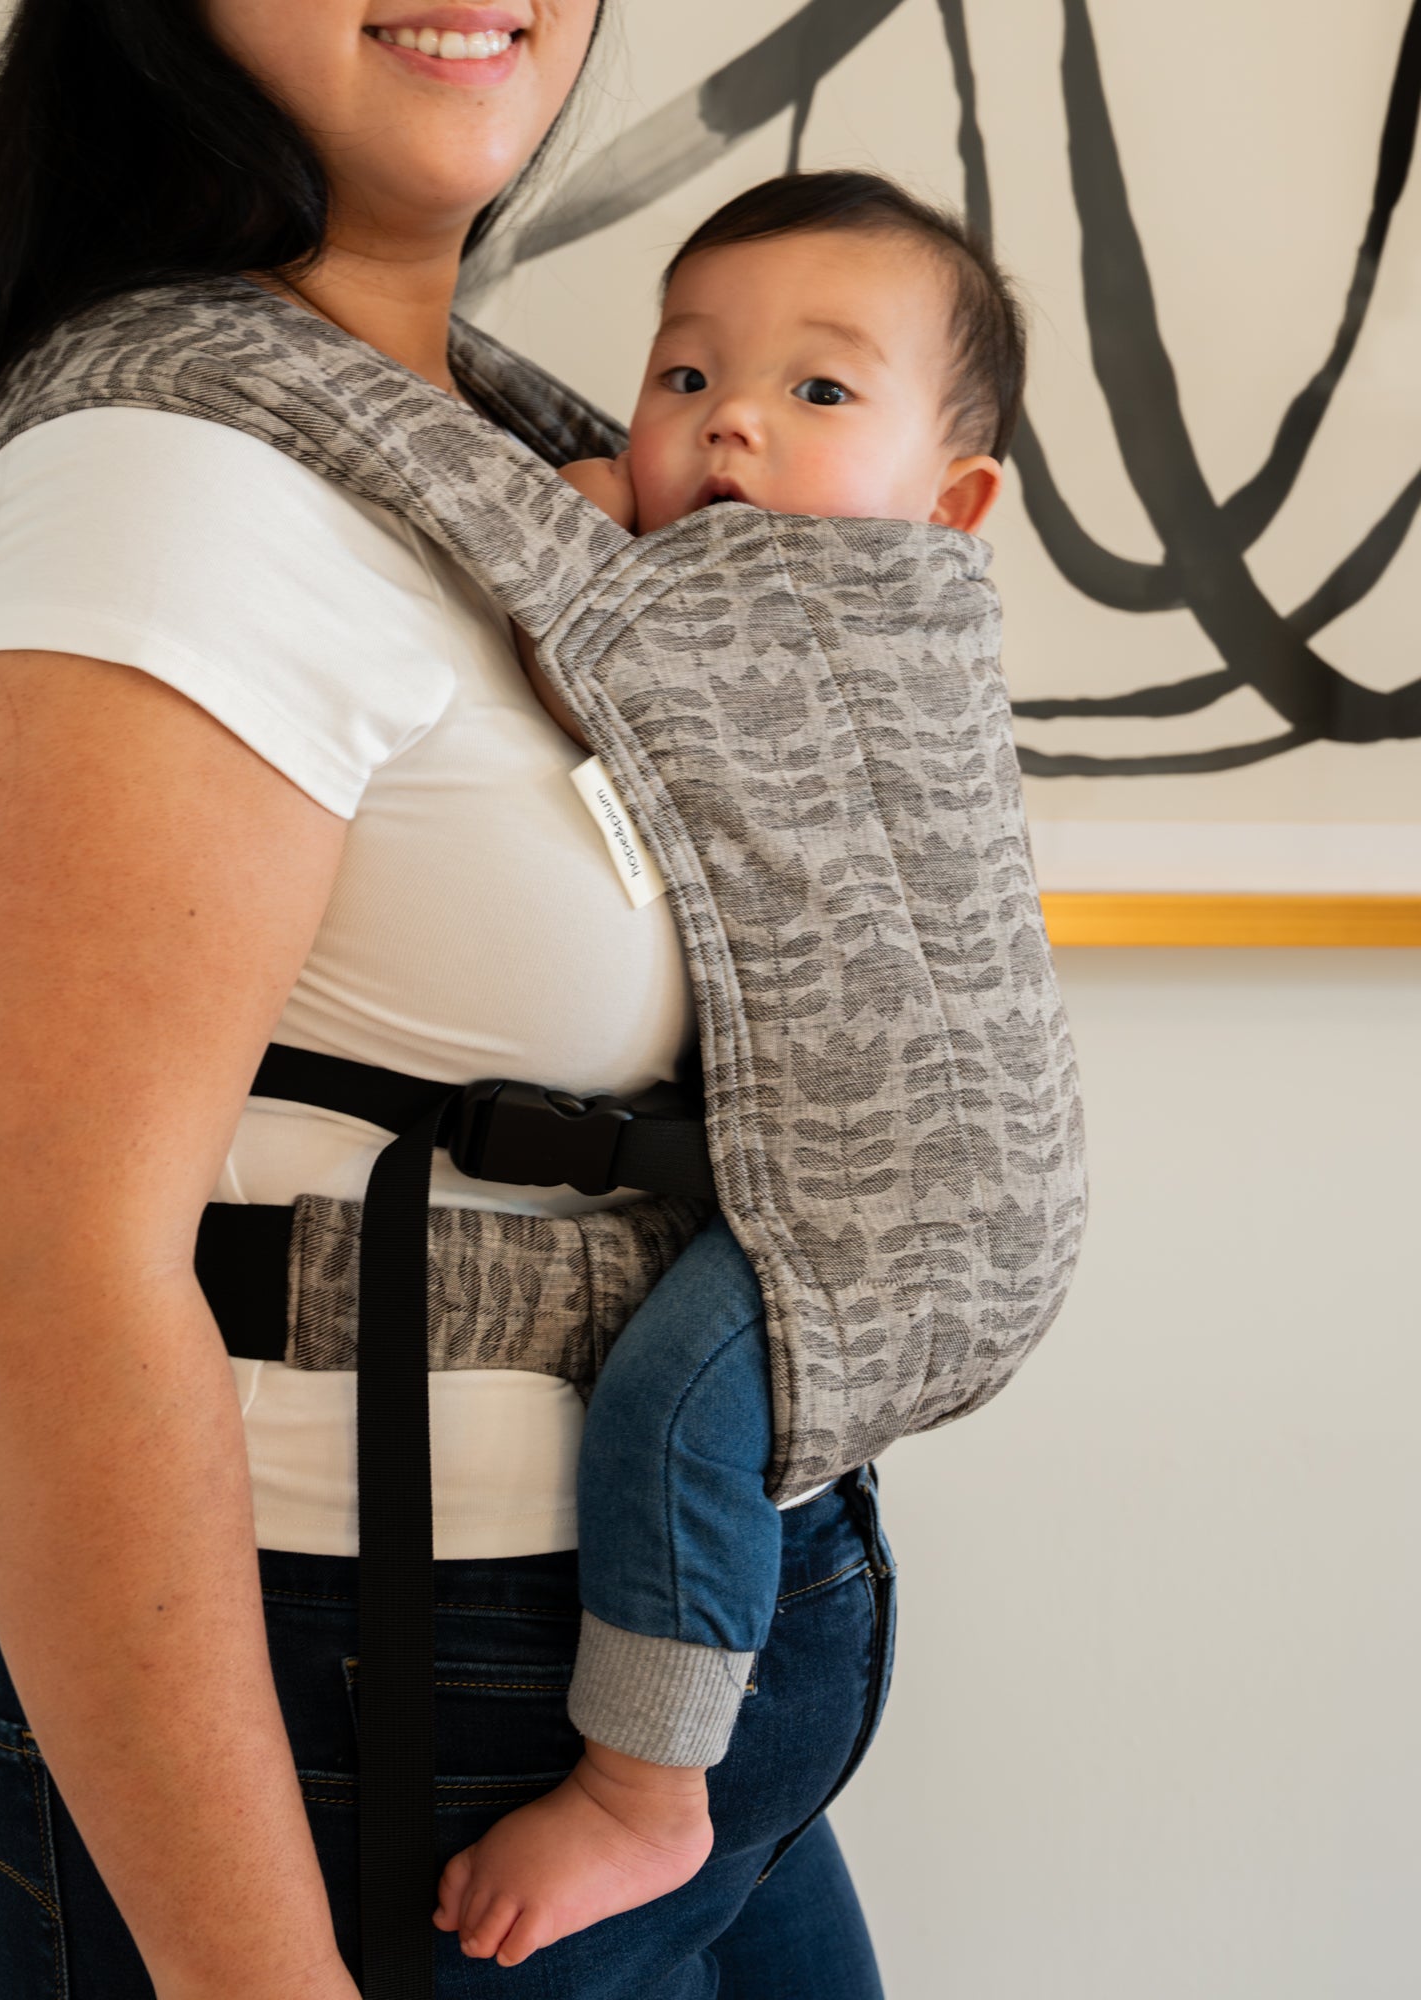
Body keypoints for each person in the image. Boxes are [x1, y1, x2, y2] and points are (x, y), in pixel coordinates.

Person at [0, 6, 897, 1995]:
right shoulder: (164, 489)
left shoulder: (506, 456)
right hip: (380, 1726)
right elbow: (32, 1283)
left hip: (650, 1696)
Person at [436, 169, 1024, 1968]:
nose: (731, 421)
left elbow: (577, 665)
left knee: (679, 1415)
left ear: (954, 503)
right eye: (683, 379)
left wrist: (572, 525)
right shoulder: (750, 590)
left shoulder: (843, 609)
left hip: (905, 1169)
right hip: (893, 1159)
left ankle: (640, 1784)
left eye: (818, 392)